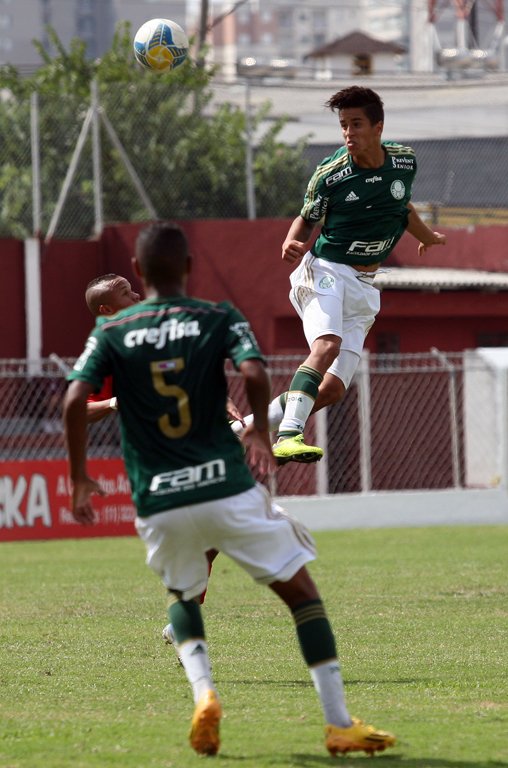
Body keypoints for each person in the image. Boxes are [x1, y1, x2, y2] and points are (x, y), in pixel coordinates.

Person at [63, 220, 396, 757]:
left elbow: (76, 401)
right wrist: (261, 434)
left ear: (141, 273)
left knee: (184, 585)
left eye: (130, 286)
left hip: (160, 494)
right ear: (188, 268)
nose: (128, 293)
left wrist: (80, 476)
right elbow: (252, 370)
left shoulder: (110, 339)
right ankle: (338, 722)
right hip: (220, 472)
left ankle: (203, 692)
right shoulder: (211, 316)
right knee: (301, 595)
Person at [233, 85, 446, 464]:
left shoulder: (404, 161)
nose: (349, 133)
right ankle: (288, 436)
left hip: (364, 286)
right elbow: (305, 219)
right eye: (344, 125)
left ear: (378, 127)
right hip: (325, 271)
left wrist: (427, 237)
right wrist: (291, 241)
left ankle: (242, 431)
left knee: (331, 389)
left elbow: (402, 207)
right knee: (326, 345)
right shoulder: (331, 174)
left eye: (357, 124)